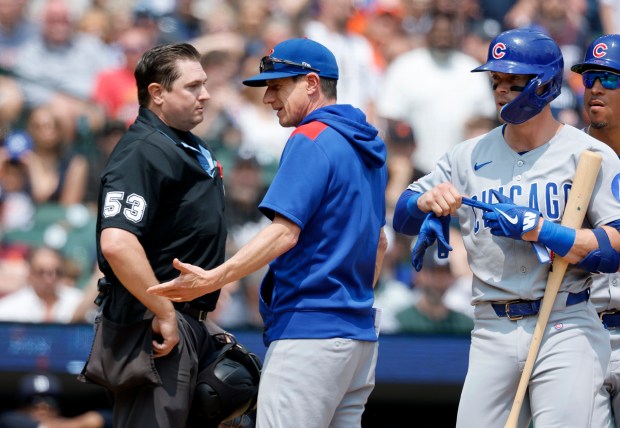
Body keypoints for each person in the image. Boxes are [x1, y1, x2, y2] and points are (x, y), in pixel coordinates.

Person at [148, 38, 388, 428]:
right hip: (358, 336)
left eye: (278, 86)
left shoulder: (311, 138)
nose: (268, 98)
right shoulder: (368, 145)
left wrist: (214, 278)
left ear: (311, 83)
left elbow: (284, 234)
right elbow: (379, 243)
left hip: (310, 332)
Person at [391, 28, 620, 427]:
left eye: (515, 82)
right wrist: (424, 203)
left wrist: (542, 230)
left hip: (565, 321)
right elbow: (402, 216)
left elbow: (613, 250)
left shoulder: (590, 155)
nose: (502, 90)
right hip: (492, 325)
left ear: (546, 84)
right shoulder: (467, 155)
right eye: (496, 80)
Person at [78, 43, 259, 428]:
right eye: (192, 86)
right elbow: (117, 243)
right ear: (157, 93)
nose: (205, 94)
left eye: (205, 84)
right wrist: (164, 312)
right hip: (154, 328)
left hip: (181, 321)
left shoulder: (187, 145)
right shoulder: (142, 150)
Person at [571, 33, 620, 428]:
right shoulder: (562, 155)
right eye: (590, 77)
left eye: (611, 78)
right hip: (577, 329)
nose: (597, 87)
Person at [0, 246, 83, 323]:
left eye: (57, 272)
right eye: (41, 272)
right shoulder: (9, 308)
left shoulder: (77, 300)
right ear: (30, 275)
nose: (50, 279)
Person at [0, 372, 113, 428]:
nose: (43, 406)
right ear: (22, 407)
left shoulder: (67, 422)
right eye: (34, 400)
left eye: (49, 400)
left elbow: (109, 419)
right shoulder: (10, 421)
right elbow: (6, 420)